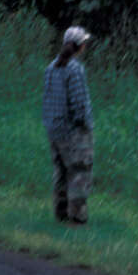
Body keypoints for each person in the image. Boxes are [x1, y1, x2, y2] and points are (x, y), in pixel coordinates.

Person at [41, 24, 94, 224]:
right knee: (79, 171)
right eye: (85, 43)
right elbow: (79, 104)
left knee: (61, 171)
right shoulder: (75, 69)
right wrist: (85, 125)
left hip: (54, 129)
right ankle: (77, 216)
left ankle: (60, 213)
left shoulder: (51, 67)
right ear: (80, 46)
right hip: (73, 131)